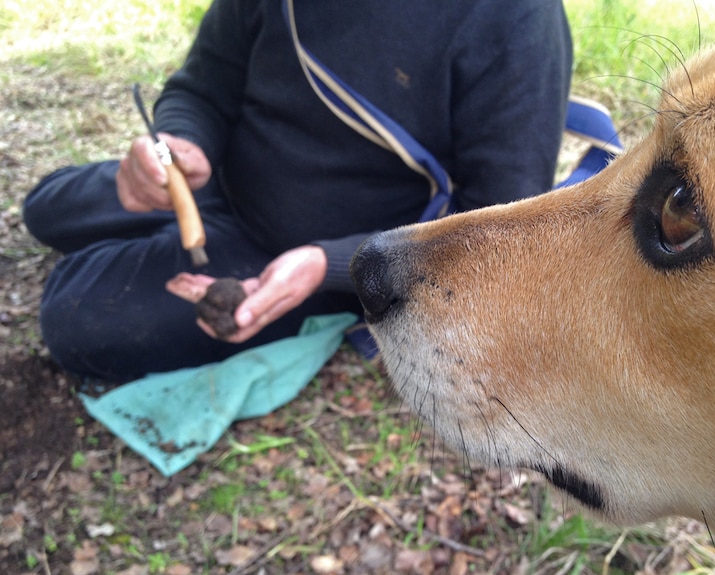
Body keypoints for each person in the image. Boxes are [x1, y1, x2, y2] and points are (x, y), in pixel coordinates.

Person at [23, 0, 573, 382]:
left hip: (315, 255)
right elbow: (204, 83)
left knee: (70, 316)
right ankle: (166, 227)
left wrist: (330, 266)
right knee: (45, 207)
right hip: (218, 182)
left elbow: (499, 226)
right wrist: (177, 145)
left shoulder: (515, 17)